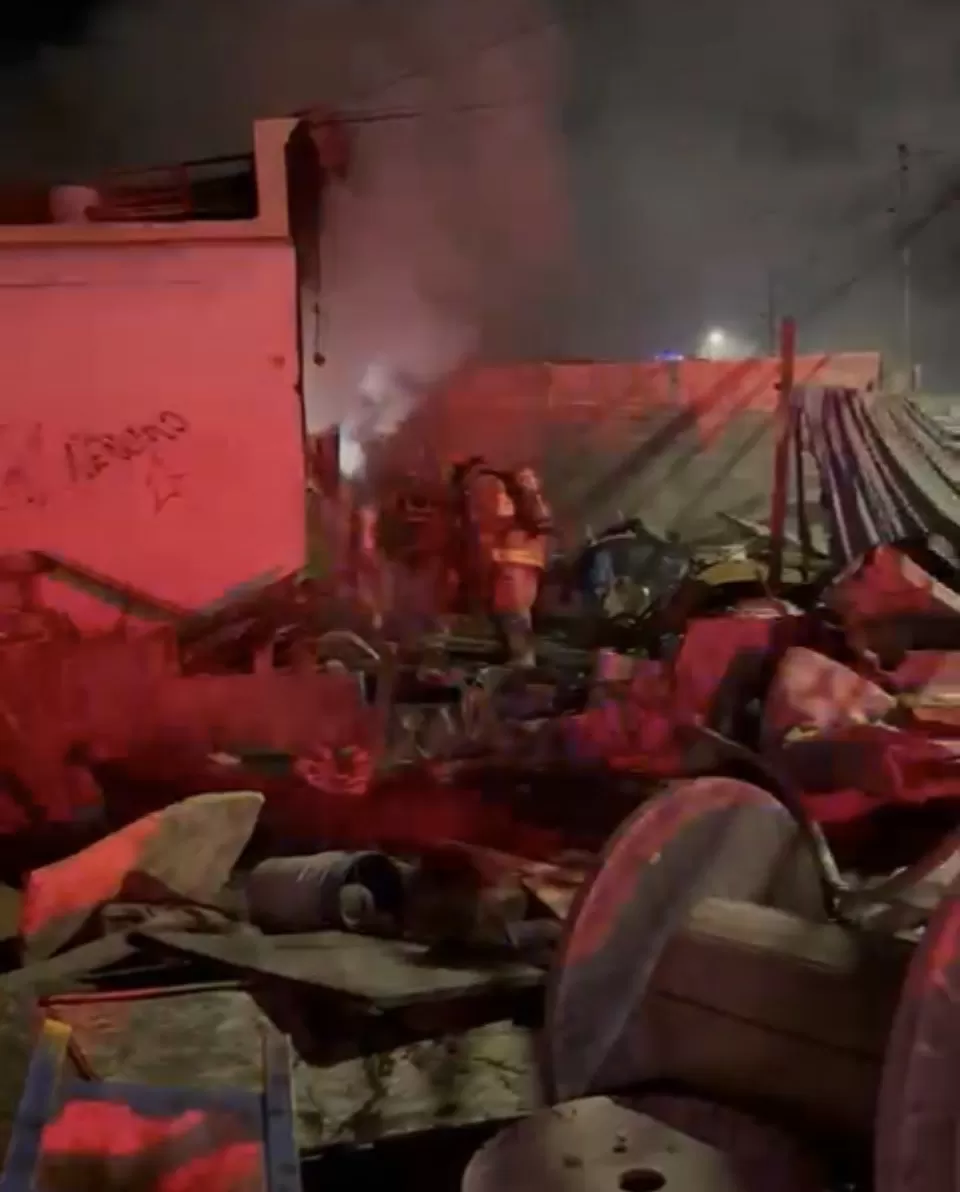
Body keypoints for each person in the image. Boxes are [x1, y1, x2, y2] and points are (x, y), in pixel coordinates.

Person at [453, 458, 553, 666]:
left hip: (509, 570)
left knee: (513, 615)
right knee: (515, 615)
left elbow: (488, 525)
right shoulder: (505, 488)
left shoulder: (484, 486)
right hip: (523, 566)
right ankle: (519, 661)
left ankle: (521, 664)